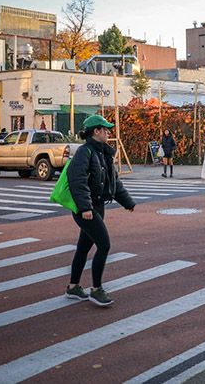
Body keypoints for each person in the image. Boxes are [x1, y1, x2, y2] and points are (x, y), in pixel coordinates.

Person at [66, 115, 136, 307]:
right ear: (95, 131)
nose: (108, 132)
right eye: (105, 129)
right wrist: (85, 207)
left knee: (83, 247)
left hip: (97, 206)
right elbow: (77, 182)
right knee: (104, 245)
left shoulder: (103, 152)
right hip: (86, 209)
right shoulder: (84, 152)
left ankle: (73, 287)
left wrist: (127, 202)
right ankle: (96, 290)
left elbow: (114, 182)